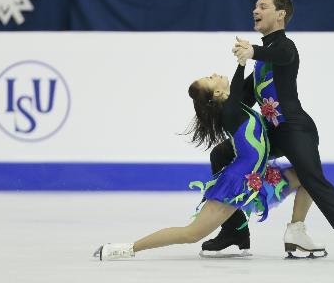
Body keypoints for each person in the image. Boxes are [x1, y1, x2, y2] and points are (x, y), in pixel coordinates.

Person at [93, 65, 309, 260]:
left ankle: (296, 230)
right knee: (191, 233)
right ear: (217, 93)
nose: (214, 73)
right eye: (210, 77)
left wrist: (261, 56)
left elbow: (248, 85)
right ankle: (125, 248)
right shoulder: (230, 112)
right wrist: (241, 63)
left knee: (309, 177)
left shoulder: (235, 106)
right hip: (237, 182)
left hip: (258, 178)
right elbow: (236, 88)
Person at [230, 0, 334, 262]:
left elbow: (282, 56)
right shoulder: (260, 61)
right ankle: (233, 231)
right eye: (255, 6)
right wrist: (217, 88)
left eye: (263, 6)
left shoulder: (284, 46)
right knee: (223, 154)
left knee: (314, 181)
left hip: (296, 128)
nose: (255, 10)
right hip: (272, 132)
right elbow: (237, 100)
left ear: (280, 14)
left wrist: (252, 51)